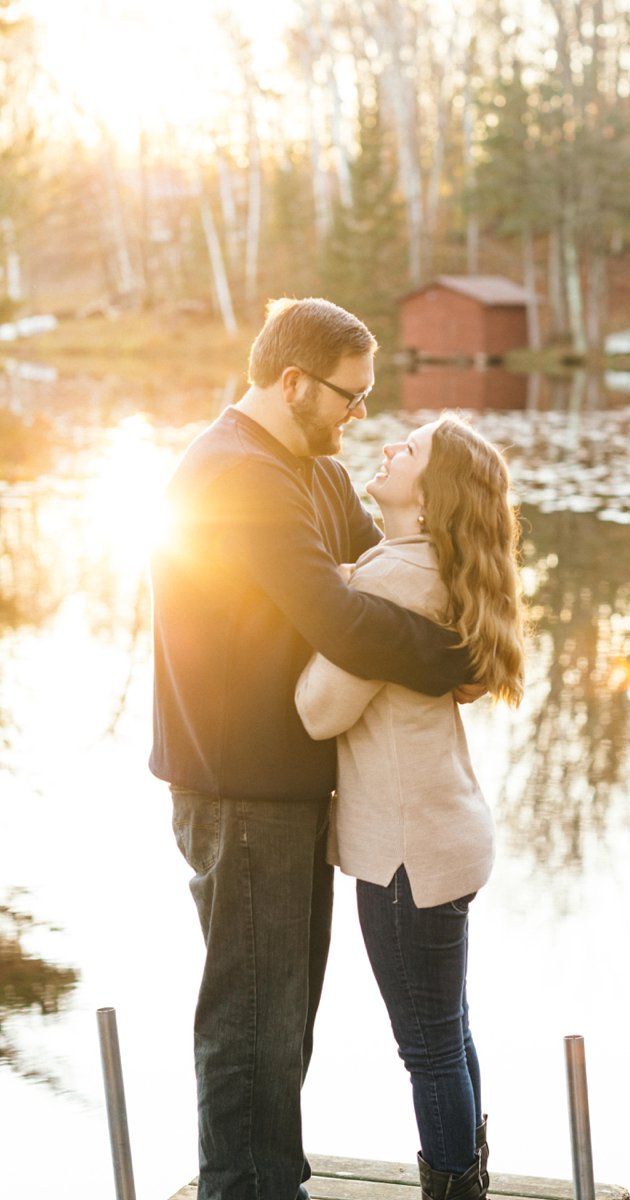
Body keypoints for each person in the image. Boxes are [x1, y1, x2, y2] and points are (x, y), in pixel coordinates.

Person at [149, 298, 479, 1200]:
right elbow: (339, 618)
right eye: (348, 395)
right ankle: (246, 1189)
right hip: (237, 789)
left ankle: (272, 1179)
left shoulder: (314, 467)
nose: (359, 415)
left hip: (294, 787)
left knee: (283, 1020)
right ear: (293, 382)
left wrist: (467, 623)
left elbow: (384, 581)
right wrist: (459, 661)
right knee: (251, 1019)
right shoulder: (238, 473)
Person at [295, 415, 526, 1200]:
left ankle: (455, 1187)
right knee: (449, 1031)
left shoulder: (390, 579)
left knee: (427, 1045)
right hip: (446, 836)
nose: (391, 445)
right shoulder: (428, 570)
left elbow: (320, 710)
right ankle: (469, 1177)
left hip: (405, 856)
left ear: (430, 502)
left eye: (412, 448)